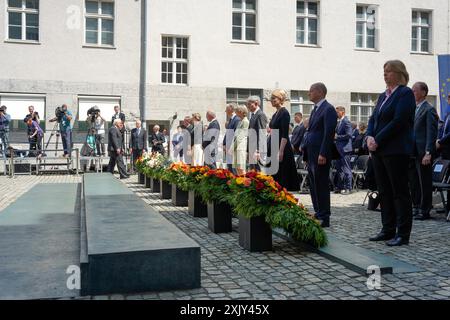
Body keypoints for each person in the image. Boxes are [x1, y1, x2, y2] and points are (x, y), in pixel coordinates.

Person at [366, 60, 416, 246]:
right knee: (384, 191)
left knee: (399, 192)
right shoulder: (383, 96)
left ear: (399, 73)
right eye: (384, 71)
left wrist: (377, 139)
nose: (385, 74)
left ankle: (403, 234)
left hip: (396, 150)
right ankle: (388, 229)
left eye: (388, 71)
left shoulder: (405, 94)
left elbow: (399, 121)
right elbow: (373, 118)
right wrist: (369, 136)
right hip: (379, 150)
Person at [304, 83, 337, 228]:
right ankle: (318, 211)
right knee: (313, 184)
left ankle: (324, 216)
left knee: (321, 184)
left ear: (320, 92)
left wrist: (323, 152)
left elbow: (328, 133)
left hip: (320, 153)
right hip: (311, 153)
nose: (309, 93)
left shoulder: (328, 109)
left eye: (311, 91)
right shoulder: (315, 109)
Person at [407, 82, 438, 221]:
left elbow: (431, 133)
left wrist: (428, 152)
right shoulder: (413, 108)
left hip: (422, 152)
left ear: (423, 93)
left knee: (424, 182)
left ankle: (425, 210)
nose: (412, 93)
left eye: (414, 90)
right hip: (411, 152)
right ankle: (416, 206)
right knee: (413, 181)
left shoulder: (429, 109)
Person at [268, 89, 300, 191]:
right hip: (273, 144)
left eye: (274, 98)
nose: (271, 100)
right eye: (271, 98)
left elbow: (285, 134)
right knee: (274, 174)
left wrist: (281, 151)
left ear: (280, 99)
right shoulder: (275, 113)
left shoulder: (284, 113)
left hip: (281, 146)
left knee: (282, 175)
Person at [334, 106, 353, 195]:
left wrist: (338, 137)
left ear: (342, 112)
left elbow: (349, 135)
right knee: (339, 169)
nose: (336, 114)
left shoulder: (346, 122)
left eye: (337, 112)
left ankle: (348, 188)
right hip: (338, 149)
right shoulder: (339, 122)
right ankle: (340, 187)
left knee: (346, 168)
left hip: (345, 149)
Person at [247, 96, 268, 171]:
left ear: (256, 103)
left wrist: (259, 150)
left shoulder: (260, 115)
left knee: (258, 173)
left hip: (257, 150)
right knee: (253, 172)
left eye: (249, 104)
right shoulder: (253, 115)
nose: (248, 106)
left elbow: (262, 133)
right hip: (252, 148)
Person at [231, 105, 249, 175]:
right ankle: (240, 182)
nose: (235, 113)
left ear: (241, 112)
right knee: (237, 168)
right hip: (237, 146)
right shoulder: (240, 121)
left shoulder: (245, 121)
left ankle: (244, 183)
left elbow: (240, 136)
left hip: (241, 146)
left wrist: (233, 147)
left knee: (241, 168)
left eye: (237, 111)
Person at [223, 103, 241, 172]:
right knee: (230, 168)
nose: (225, 111)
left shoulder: (237, 119)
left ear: (231, 109)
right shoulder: (231, 119)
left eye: (226, 110)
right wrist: (224, 143)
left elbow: (236, 135)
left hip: (232, 148)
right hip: (228, 147)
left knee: (233, 169)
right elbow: (228, 133)